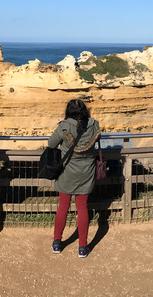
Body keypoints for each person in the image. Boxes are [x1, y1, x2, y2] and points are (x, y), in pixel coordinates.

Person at [48, 98, 100, 258]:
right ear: (84, 111)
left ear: (68, 112)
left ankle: (57, 242)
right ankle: (83, 247)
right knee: (82, 208)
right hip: (86, 173)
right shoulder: (94, 125)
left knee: (63, 206)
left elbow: (51, 144)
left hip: (67, 173)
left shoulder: (64, 126)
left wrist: (61, 124)